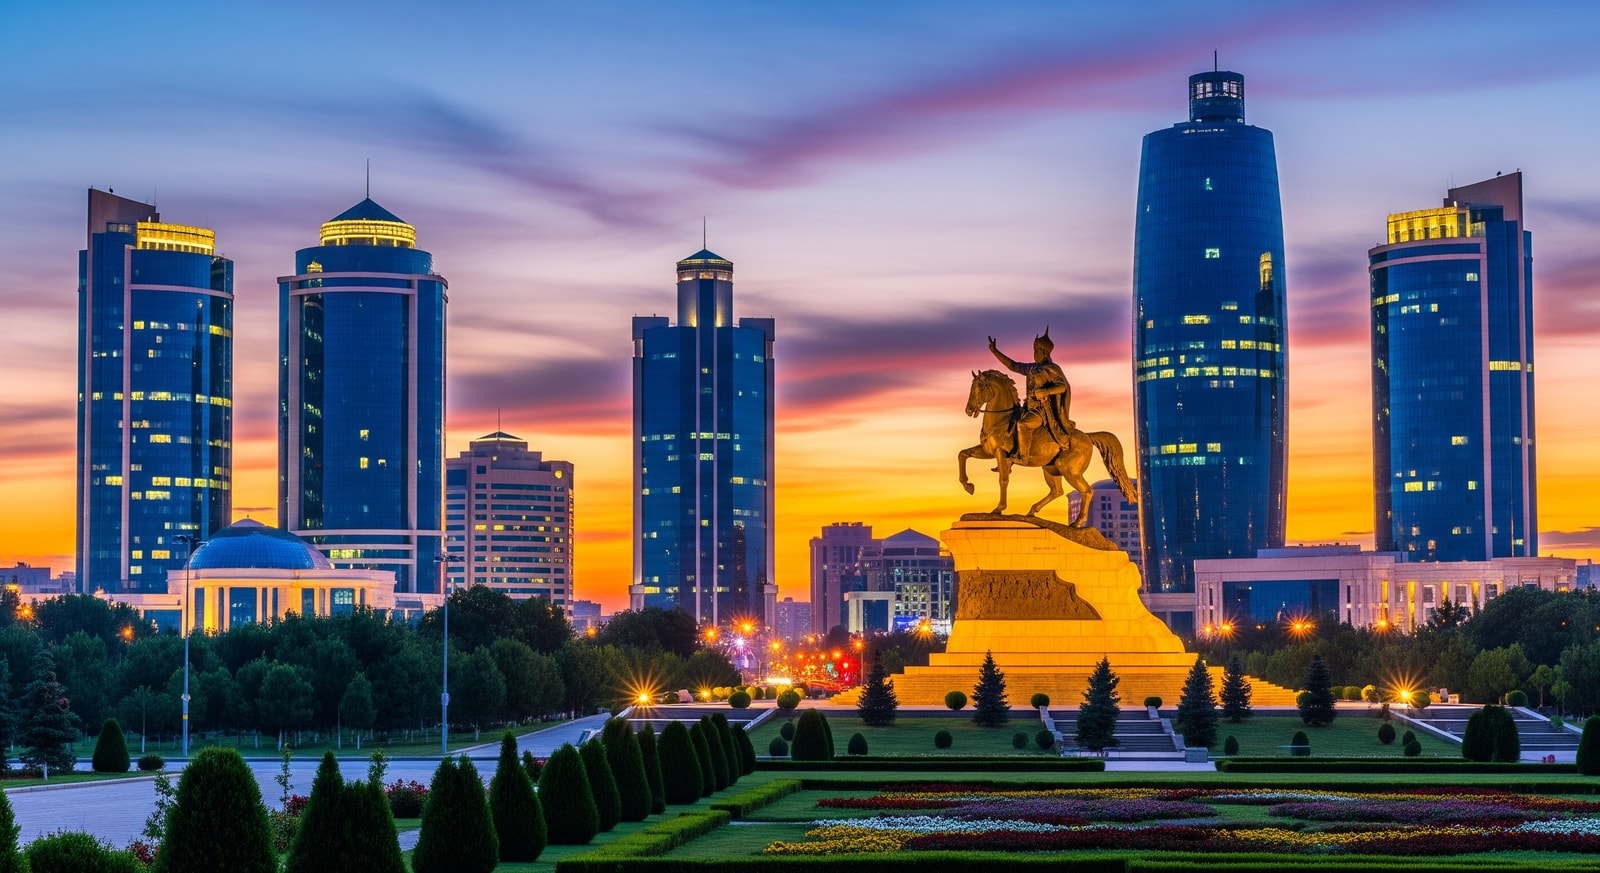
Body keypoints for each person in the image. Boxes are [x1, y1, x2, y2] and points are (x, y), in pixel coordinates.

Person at [988, 329, 1074, 455]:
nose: (1035, 354)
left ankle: (1023, 456)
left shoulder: (1052, 369)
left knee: (1022, 425)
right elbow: (1013, 365)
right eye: (1034, 350)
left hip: (1041, 411)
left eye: (1037, 351)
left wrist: (1046, 391)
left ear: (1045, 353)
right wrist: (995, 352)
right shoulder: (1031, 368)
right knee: (1008, 424)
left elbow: (1062, 387)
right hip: (1027, 408)